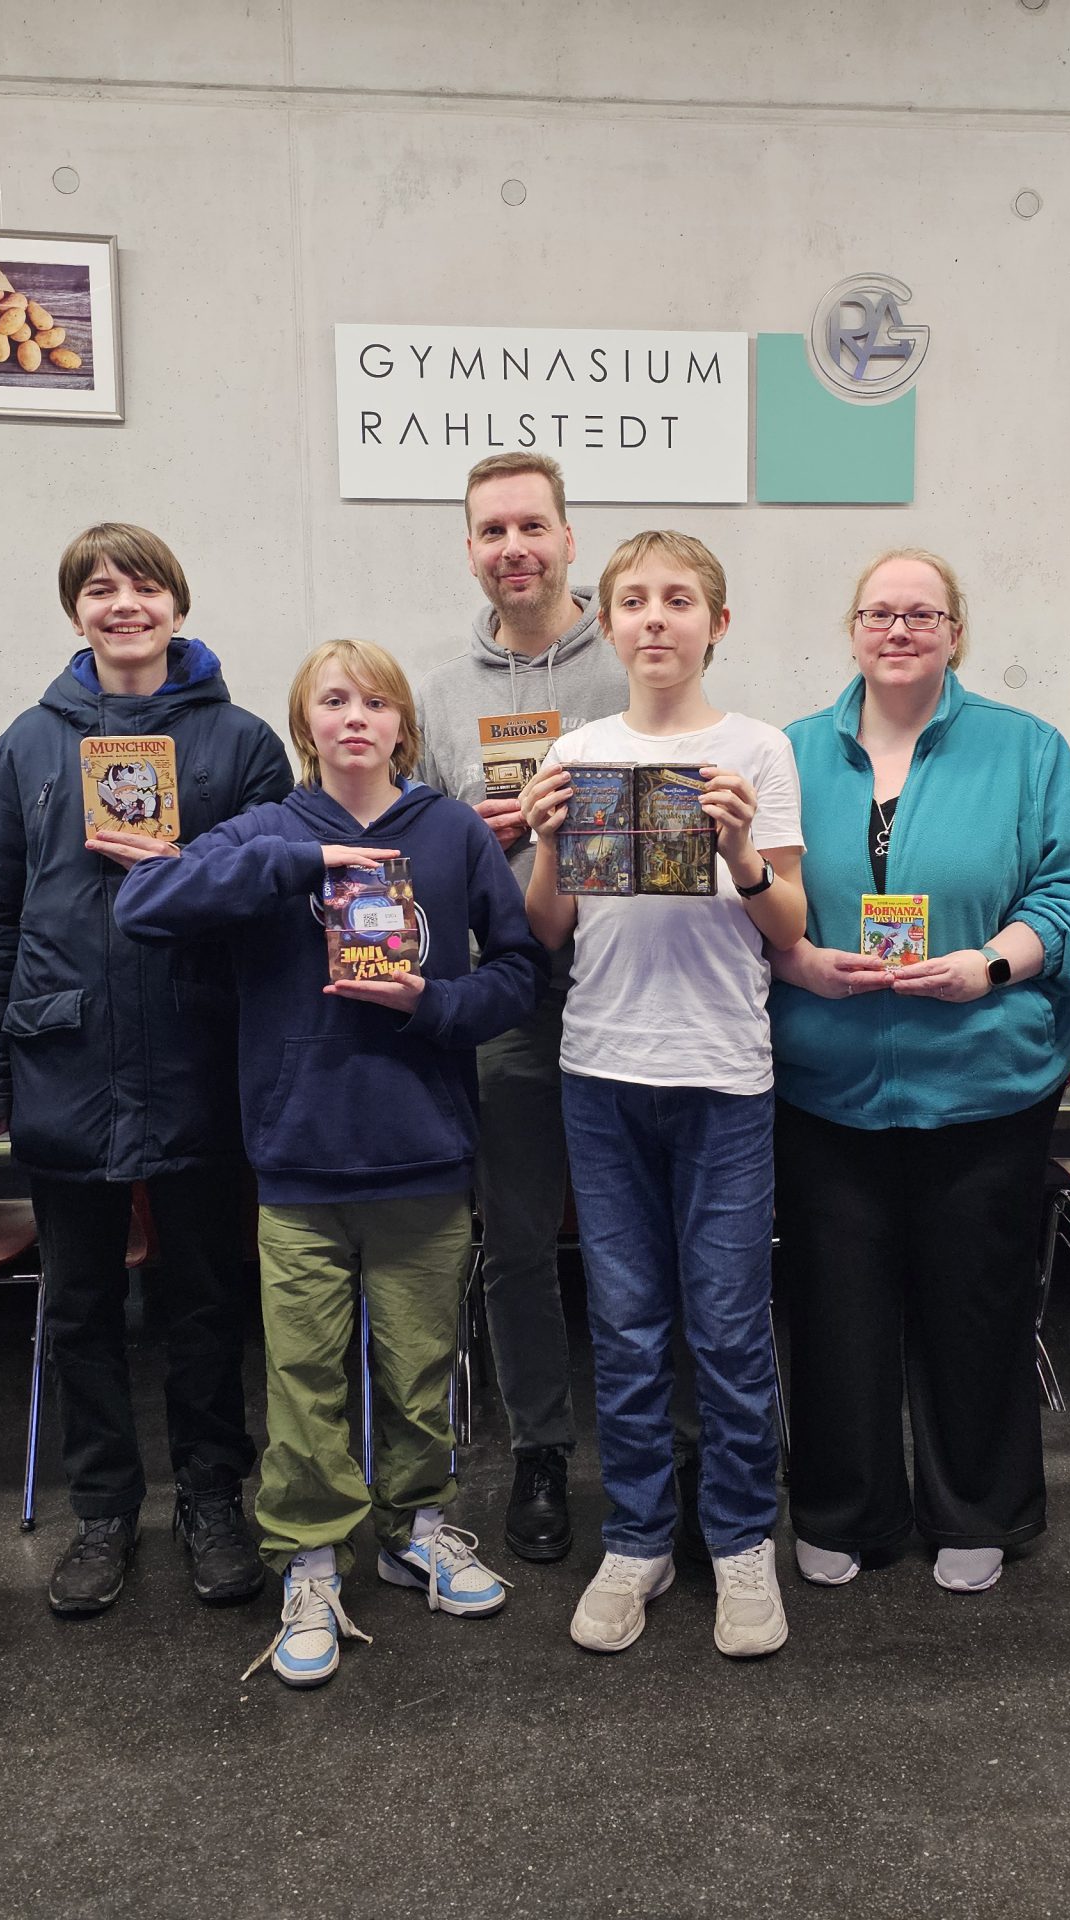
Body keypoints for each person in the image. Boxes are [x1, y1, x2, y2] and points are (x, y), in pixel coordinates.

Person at [114, 639, 543, 1689]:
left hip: (424, 1154)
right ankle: (310, 1558)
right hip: (300, 1160)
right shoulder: (270, 829)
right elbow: (142, 905)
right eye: (334, 700)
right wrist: (303, 864)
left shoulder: (450, 832)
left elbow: (520, 973)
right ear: (306, 724)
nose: (357, 716)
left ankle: (415, 1526)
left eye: (377, 702)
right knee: (303, 1380)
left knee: (418, 1371)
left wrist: (433, 1004)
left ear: (403, 725)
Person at [0, 523, 293, 1619]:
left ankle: (211, 1498)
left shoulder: (242, 742)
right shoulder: (28, 744)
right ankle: (103, 1510)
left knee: (206, 1298)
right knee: (81, 1307)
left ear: (177, 607)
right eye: (99, 589)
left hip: (197, 1054)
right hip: (64, 1057)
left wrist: (186, 868)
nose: (123, 604)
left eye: (144, 585)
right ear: (76, 613)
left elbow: (276, 899)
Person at [768, 550, 1070, 1595]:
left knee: (975, 1307)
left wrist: (991, 964)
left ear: (956, 633)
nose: (899, 630)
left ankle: (978, 1507)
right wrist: (798, 961)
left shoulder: (1025, 750)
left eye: (922, 614)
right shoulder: (788, 753)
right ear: (851, 630)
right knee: (834, 1309)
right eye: (879, 612)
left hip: (983, 1082)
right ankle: (844, 1508)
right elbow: (748, 897)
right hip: (824, 1084)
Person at [519, 530, 807, 1659]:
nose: (654, 618)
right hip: (602, 1072)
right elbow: (548, 930)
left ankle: (739, 1539)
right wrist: (546, 844)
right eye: (633, 600)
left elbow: (787, 926)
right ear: (606, 623)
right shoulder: (578, 749)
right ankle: (637, 1537)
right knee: (628, 1324)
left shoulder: (759, 750)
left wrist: (740, 850)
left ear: (715, 624)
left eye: (678, 600)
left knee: (729, 1326)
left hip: (724, 1077)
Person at [413, 453, 631, 1562]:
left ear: (568, 539)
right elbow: (414, 855)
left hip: (634, 984)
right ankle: (541, 1450)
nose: (514, 548)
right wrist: (474, 835)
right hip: (508, 995)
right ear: (469, 551)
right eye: (492, 531)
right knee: (516, 1242)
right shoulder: (439, 695)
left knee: (644, 1236)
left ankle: (664, 1449)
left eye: (532, 526)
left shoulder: (632, 660)